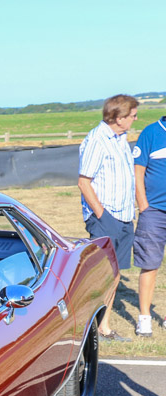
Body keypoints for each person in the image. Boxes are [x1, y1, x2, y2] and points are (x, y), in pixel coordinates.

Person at [77, 94, 139, 342]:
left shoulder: (121, 139)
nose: (135, 119)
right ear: (119, 117)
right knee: (101, 274)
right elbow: (84, 182)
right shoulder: (97, 140)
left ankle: (104, 327)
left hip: (124, 216)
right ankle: (89, 328)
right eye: (133, 115)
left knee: (114, 274)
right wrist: (103, 216)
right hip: (107, 217)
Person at [132, 115, 166, 336]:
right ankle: (144, 318)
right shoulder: (151, 133)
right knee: (150, 264)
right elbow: (138, 172)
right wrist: (143, 205)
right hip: (154, 212)